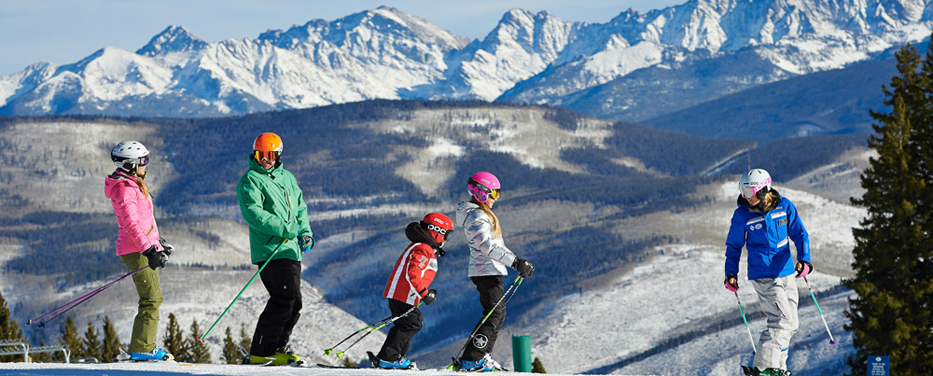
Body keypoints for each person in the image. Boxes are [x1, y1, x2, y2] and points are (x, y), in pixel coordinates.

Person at [724, 169, 811, 376]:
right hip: (763, 273)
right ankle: (764, 368)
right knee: (780, 319)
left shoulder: (784, 207)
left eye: (750, 191)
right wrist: (730, 273)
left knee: (791, 323)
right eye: (743, 191)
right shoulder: (742, 215)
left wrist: (804, 259)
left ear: (764, 189)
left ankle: (778, 367)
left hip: (786, 270)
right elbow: (734, 246)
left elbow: (799, 233)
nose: (746, 196)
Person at [237, 132, 313, 365]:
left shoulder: (287, 178)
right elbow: (254, 214)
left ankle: (277, 347)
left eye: (270, 155)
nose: (265, 160)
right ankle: (261, 350)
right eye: (261, 155)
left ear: (278, 155)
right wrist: (286, 228)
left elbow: (300, 209)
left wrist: (305, 232)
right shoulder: (251, 180)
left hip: (291, 250)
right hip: (270, 250)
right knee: (283, 298)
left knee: (295, 302)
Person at [454, 172, 535, 372]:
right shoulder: (476, 216)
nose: (495, 199)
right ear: (481, 192)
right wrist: (515, 263)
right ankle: (472, 359)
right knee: (494, 313)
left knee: (497, 314)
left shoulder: (482, 215)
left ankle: (481, 356)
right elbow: (487, 246)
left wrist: (518, 262)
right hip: (485, 271)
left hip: (490, 269)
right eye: (493, 193)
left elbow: (498, 246)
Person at [105, 141, 174, 361]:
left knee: (153, 297)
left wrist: (157, 245)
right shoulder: (125, 189)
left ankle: (143, 347)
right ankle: (143, 348)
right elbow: (131, 224)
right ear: (130, 165)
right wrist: (148, 250)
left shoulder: (133, 184)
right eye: (142, 161)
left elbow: (144, 222)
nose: (146, 165)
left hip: (141, 248)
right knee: (151, 299)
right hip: (136, 251)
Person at [369, 213, 454, 369]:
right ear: (436, 232)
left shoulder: (423, 247)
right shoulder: (423, 249)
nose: (446, 241)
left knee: (409, 323)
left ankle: (394, 357)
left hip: (404, 294)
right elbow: (412, 273)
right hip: (402, 294)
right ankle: (389, 358)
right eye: (446, 236)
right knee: (411, 323)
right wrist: (424, 293)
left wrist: (426, 292)